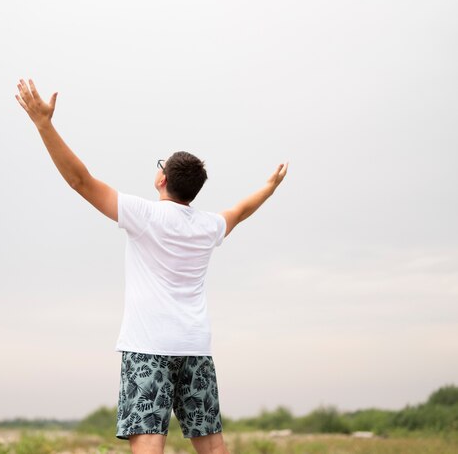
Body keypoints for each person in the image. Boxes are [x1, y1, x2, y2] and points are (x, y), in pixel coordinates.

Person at [15, 78, 289, 454]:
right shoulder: (209, 226)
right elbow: (242, 210)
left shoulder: (143, 215)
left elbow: (80, 181)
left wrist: (43, 125)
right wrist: (270, 187)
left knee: (148, 445)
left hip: (147, 346)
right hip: (195, 347)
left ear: (162, 179)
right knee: (213, 447)